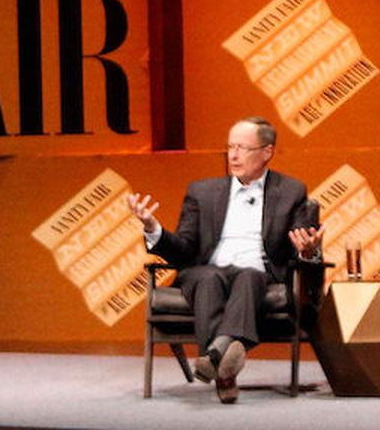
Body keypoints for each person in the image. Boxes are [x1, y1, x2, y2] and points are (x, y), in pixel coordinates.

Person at [126, 116, 323, 403]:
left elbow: (301, 246)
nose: (233, 155)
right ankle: (226, 358)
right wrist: (152, 228)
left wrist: (307, 251)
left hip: (258, 274)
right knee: (209, 277)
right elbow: (183, 249)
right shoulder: (202, 192)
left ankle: (215, 358)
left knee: (249, 275)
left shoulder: (291, 191)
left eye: (243, 148)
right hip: (204, 272)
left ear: (267, 152)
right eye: (230, 147)